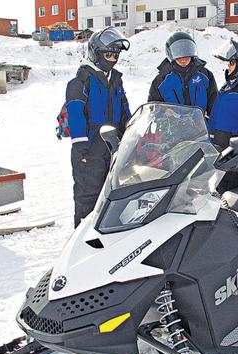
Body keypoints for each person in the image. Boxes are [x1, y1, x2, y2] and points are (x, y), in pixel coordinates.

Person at [66, 27, 131, 227]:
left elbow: (125, 111)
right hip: (90, 148)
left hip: (114, 145)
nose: (112, 59)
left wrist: (132, 134)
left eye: (116, 55)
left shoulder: (116, 81)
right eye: (108, 54)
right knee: (88, 196)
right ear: (96, 53)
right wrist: (81, 146)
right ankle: (82, 240)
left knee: (113, 194)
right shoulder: (81, 81)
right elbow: (75, 113)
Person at [149, 31, 218, 117]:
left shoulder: (205, 75)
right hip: (172, 128)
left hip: (200, 127)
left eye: (186, 54)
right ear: (170, 53)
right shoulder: (161, 80)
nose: (183, 59)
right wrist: (163, 112)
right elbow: (153, 107)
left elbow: (215, 105)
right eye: (178, 54)